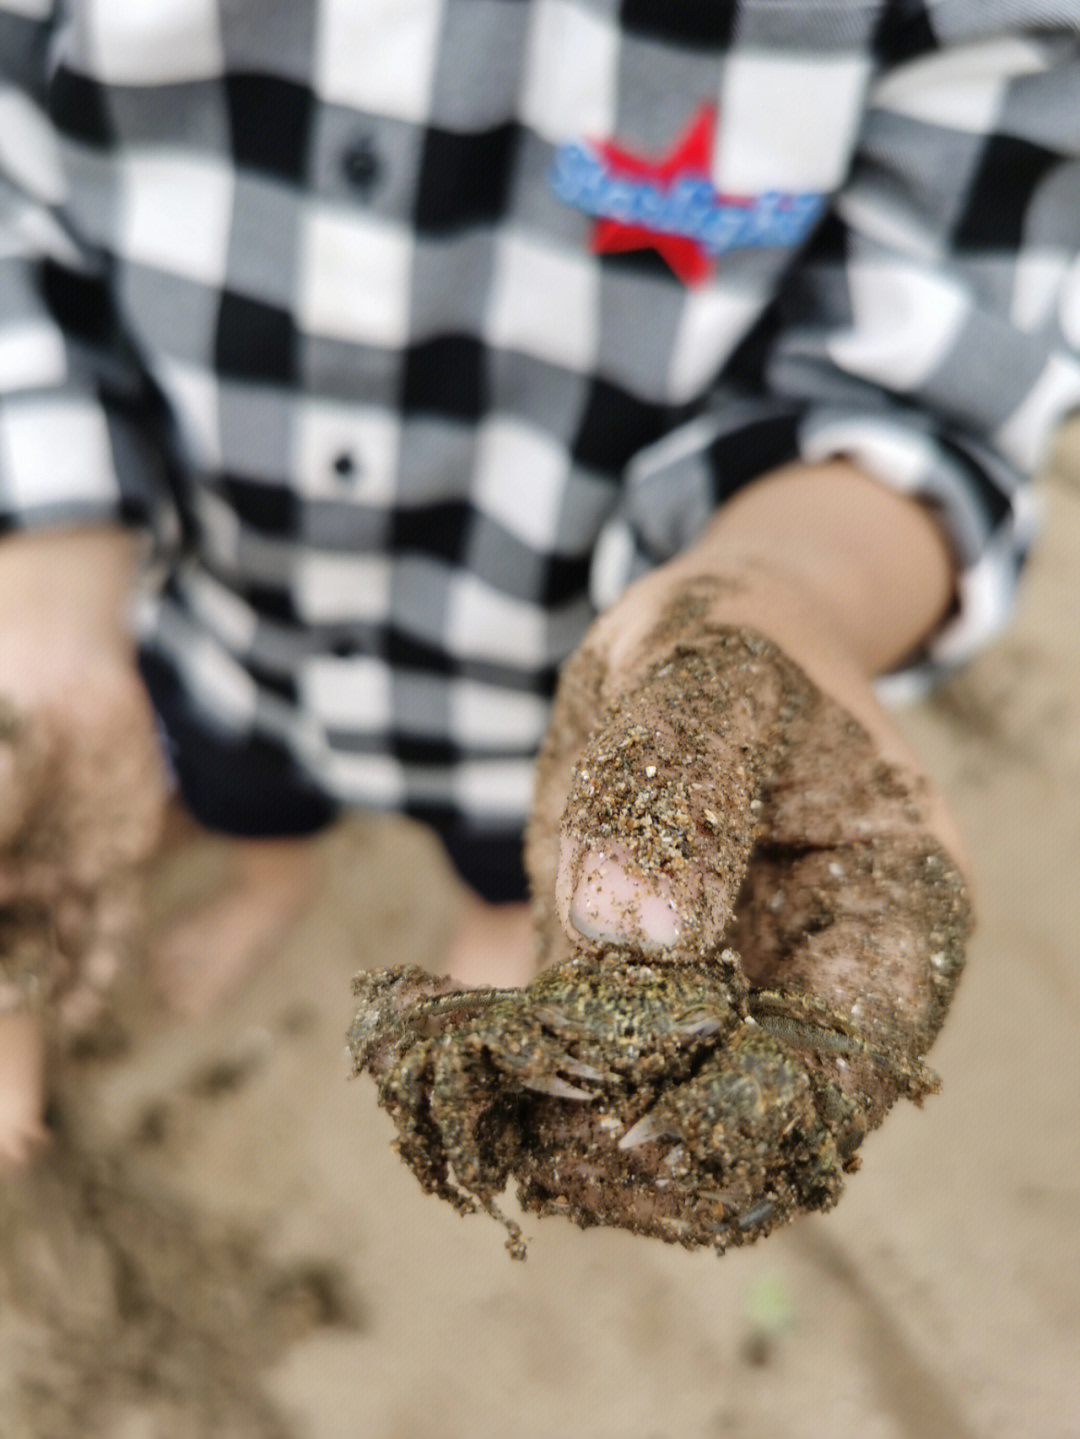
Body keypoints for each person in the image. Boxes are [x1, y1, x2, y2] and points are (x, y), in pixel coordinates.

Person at [1, 1, 1078, 1171]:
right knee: (241, 784)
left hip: (552, 689)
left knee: (541, 859)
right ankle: (273, 874)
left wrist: (771, 597)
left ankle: (497, 915)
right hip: (224, 618)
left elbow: (942, 345)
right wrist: (49, 576)